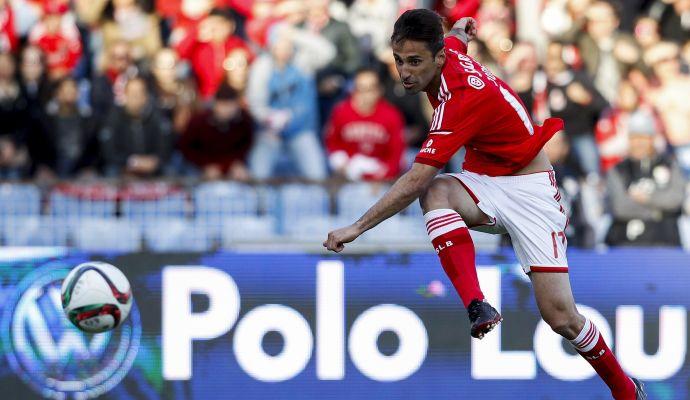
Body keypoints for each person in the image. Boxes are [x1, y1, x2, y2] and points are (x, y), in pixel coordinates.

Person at [323, 10, 646, 400]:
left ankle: (627, 391)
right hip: (487, 181)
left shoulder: (461, 99)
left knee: (561, 317)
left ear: (438, 59)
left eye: (414, 62)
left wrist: (356, 227)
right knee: (438, 192)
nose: (405, 72)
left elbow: (412, 181)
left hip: (530, 191)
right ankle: (477, 303)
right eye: (399, 61)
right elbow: (455, 41)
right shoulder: (447, 56)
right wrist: (460, 30)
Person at [605, 110, 685, 247]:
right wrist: (659, 211)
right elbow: (620, 207)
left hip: (665, 244)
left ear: (652, 138)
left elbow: (676, 199)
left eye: (643, 137)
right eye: (634, 137)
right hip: (625, 245)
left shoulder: (670, 165)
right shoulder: (618, 169)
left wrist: (647, 199)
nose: (638, 143)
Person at [325, 68, 404, 181]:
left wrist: (382, 174)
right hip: (347, 175)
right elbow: (331, 142)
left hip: (379, 175)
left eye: (370, 89)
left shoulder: (391, 115)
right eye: (360, 89)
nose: (364, 94)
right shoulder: (341, 111)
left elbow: (397, 154)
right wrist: (340, 162)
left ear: (379, 90)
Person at [98, 77, 172, 177]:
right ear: (125, 95)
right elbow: (108, 151)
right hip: (122, 168)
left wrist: (154, 161)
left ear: (146, 96)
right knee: (110, 172)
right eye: (132, 94)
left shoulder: (156, 117)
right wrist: (130, 162)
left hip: (151, 167)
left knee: (170, 171)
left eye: (140, 93)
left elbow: (165, 147)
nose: (136, 97)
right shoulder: (114, 117)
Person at [178, 85, 253, 181]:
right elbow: (185, 146)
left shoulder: (244, 121)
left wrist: (237, 162)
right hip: (201, 165)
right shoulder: (199, 121)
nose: (227, 110)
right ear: (215, 104)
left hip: (233, 166)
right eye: (223, 105)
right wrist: (205, 165)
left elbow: (246, 144)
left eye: (231, 105)